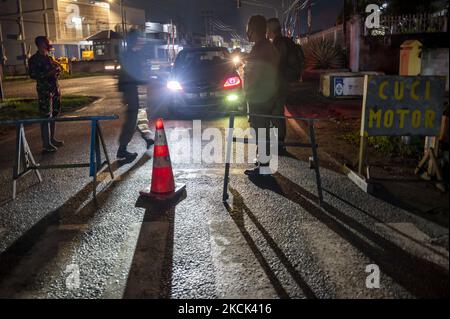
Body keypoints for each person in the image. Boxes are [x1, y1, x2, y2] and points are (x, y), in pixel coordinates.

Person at [244, 15, 280, 177]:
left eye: (249, 29)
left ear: (252, 30)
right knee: (262, 130)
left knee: (260, 130)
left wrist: (247, 92)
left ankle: (263, 167)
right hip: (267, 95)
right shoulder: (267, 46)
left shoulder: (260, 48)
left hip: (259, 97)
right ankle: (262, 162)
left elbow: (255, 75)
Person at [267, 18, 304, 153]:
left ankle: (280, 145)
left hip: (280, 83)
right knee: (277, 112)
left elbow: (277, 65)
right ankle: (279, 143)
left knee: (276, 113)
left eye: (267, 29)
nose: (266, 32)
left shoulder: (278, 43)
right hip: (283, 82)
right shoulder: (285, 41)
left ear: (270, 30)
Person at [117, 29, 154, 160]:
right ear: (134, 40)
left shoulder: (134, 54)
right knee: (132, 119)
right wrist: (147, 80)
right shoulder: (130, 55)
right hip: (130, 89)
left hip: (133, 88)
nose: (142, 40)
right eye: (139, 38)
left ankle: (147, 137)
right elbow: (130, 75)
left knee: (140, 114)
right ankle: (122, 149)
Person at [28, 36, 64, 153]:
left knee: (54, 114)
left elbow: (55, 70)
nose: (48, 43)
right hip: (44, 91)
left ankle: (52, 139)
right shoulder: (34, 59)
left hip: (54, 89)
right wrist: (49, 73)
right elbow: (33, 75)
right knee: (45, 116)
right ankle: (46, 144)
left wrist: (57, 70)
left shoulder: (49, 58)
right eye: (46, 42)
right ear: (41, 44)